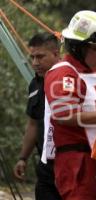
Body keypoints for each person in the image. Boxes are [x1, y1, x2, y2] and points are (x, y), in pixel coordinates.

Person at [43, 10, 96, 200]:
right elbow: (64, 116)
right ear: (79, 47)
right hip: (78, 163)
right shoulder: (64, 74)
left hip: (95, 159)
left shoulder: (86, 72)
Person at [13, 33, 61, 200]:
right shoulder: (35, 84)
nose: (35, 63)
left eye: (40, 57)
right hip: (45, 166)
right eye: (32, 57)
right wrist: (22, 158)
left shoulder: (69, 81)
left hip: (69, 163)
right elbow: (33, 124)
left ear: (56, 54)